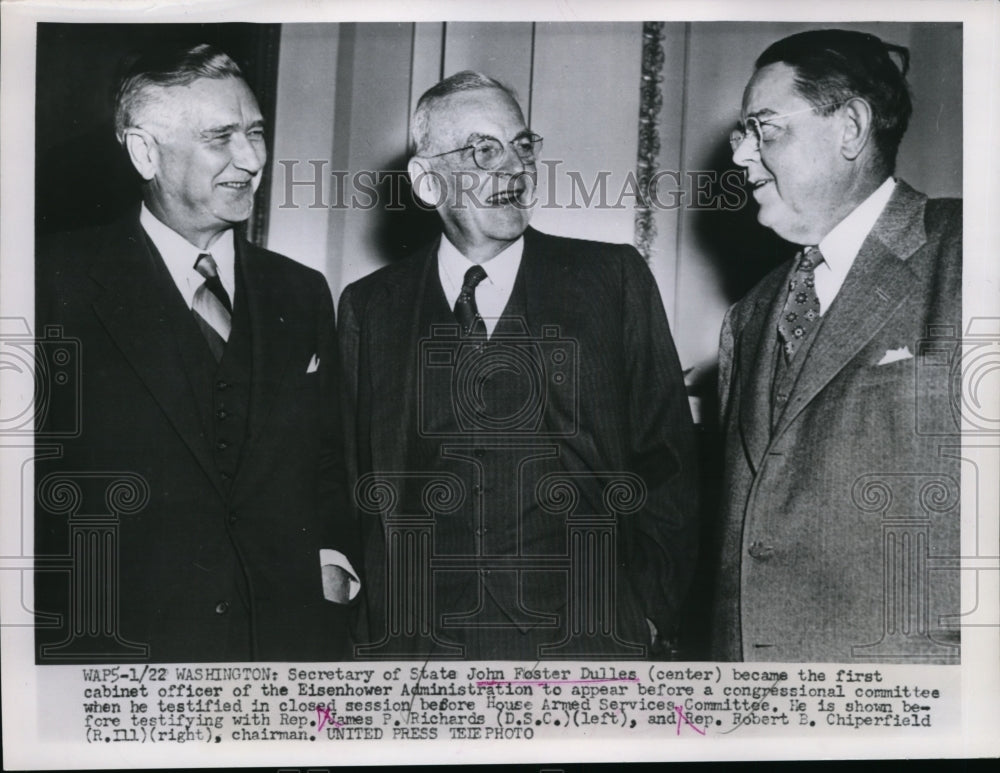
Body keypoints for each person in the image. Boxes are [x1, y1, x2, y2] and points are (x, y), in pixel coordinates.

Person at [339, 71, 698, 660]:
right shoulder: (370, 307)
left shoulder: (610, 280)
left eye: (522, 145)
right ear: (427, 181)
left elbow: (669, 460)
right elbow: (355, 478)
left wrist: (651, 613)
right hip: (419, 647)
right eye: (484, 150)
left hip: (589, 640)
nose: (514, 168)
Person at [34, 44, 358, 662]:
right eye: (220, 137)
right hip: (119, 651)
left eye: (256, 133)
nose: (252, 160)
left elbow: (327, 458)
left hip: (282, 648)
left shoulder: (301, 291)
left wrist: (333, 561)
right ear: (145, 152)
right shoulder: (51, 281)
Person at [713, 29, 961, 662]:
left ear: (850, 127)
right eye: (742, 132)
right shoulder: (749, 315)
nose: (740, 155)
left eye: (764, 129)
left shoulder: (969, 252)